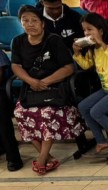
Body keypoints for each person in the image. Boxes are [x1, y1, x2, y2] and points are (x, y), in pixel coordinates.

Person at [10, 5, 84, 175]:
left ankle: (42, 159)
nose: (30, 24)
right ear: (21, 23)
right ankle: (48, 157)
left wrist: (44, 82)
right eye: (25, 21)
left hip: (55, 87)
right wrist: (31, 81)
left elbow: (68, 68)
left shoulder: (54, 40)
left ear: (42, 23)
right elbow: (15, 65)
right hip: (31, 88)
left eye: (34, 20)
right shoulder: (18, 41)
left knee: (46, 113)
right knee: (20, 112)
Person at [72, 13, 108, 163]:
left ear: (101, 31)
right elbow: (86, 65)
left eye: (90, 29)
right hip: (106, 90)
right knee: (83, 106)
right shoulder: (93, 50)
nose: (86, 33)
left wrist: (102, 44)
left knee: (96, 111)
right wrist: (77, 53)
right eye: (84, 30)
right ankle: (101, 140)